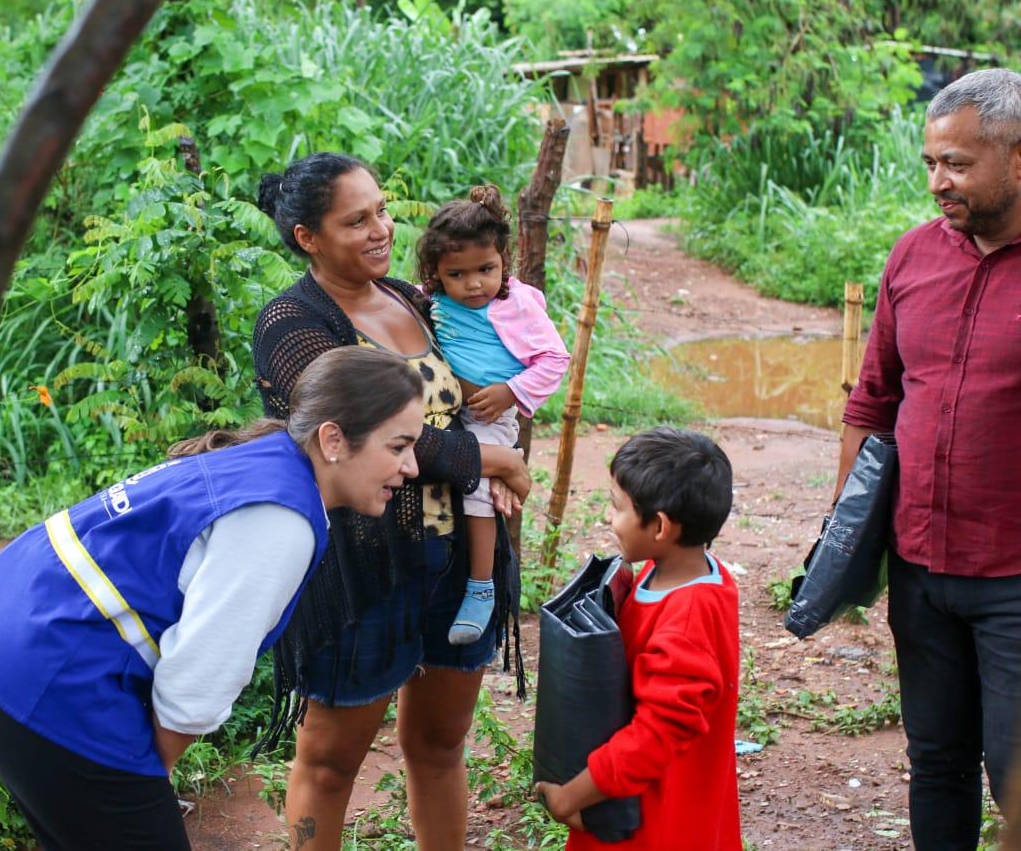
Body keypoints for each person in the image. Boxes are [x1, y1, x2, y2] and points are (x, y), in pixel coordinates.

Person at [0, 347, 424, 851]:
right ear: (332, 439)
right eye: (398, 446)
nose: (412, 466)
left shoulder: (267, 458)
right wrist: (147, 783)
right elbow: (200, 677)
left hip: (2, 632)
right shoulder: (279, 520)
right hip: (42, 674)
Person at [251, 152, 533, 849]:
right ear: (307, 238)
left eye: (381, 209)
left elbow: (486, 376)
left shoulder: (412, 298)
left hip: (458, 560)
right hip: (362, 568)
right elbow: (361, 432)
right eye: (356, 219)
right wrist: (489, 459)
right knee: (330, 757)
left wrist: (512, 408)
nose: (381, 228)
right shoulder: (291, 324)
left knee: (440, 745)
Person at [836, 67, 1021, 850]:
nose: (938, 182)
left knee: (1016, 774)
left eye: (957, 163)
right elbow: (873, 401)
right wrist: (843, 543)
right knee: (936, 759)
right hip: (920, 569)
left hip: (1014, 579)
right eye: (930, 163)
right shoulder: (912, 257)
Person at [536, 427, 741, 851]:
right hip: (652, 804)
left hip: (653, 820)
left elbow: (656, 734)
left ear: (661, 525)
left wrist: (570, 796)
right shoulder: (681, 572)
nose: (609, 520)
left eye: (617, 507)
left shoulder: (687, 617)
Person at [415, 183, 570, 645]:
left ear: (504, 259)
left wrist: (511, 391)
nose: (474, 283)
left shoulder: (514, 304)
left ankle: (480, 587)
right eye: (457, 274)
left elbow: (555, 358)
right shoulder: (434, 300)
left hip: (490, 413)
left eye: (486, 269)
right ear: (437, 273)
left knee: (480, 493)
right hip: (446, 413)